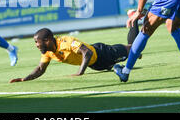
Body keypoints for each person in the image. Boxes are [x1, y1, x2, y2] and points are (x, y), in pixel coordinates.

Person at [9, 21, 140, 82]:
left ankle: (132, 18)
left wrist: (79, 72)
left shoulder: (66, 41)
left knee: (134, 48)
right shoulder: (47, 52)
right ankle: (123, 63)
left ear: (48, 40)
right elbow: (40, 69)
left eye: (37, 42)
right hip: (95, 65)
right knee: (132, 54)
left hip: (102, 53)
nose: (36, 45)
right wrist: (23, 79)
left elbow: (87, 52)